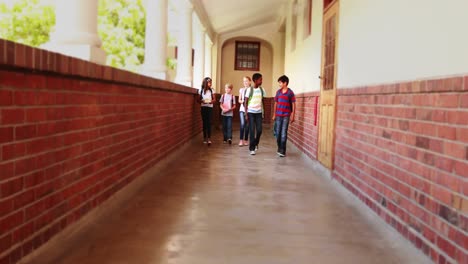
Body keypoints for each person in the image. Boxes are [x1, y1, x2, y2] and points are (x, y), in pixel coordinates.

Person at [272, 75, 296, 157]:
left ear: (285, 83)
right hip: (278, 115)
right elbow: (275, 103)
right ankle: (279, 147)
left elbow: (293, 104)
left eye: (280, 83)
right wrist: (274, 114)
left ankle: (283, 150)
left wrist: (293, 115)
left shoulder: (290, 92)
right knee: (278, 133)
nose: (279, 84)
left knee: (283, 133)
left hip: (286, 115)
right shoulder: (278, 92)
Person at [245, 73, 265, 155]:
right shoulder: (250, 90)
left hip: (259, 113)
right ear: (255, 80)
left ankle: (256, 142)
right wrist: (246, 114)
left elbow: (263, 101)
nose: (261, 81)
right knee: (252, 131)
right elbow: (245, 102)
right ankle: (252, 148)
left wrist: (264, 113)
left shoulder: (262, 90)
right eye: (260, 79)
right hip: (251, 113)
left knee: (259, 130)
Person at [199, 77, 215, 145]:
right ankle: (204, 138)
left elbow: (214, 99)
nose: (210, 84)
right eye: (209, 82)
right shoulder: (201, 90)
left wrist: (211, 101)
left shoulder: (212, 90)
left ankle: (209, 138)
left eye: (211, 82)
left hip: (210, 108)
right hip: (203, 107)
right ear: (205, 83)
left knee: (209, 123)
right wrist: (202, 101)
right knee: (204, 123)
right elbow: (198, 100)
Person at [238, 76, 251, 146]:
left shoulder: (252, 90)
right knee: (242, 124)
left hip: (249, 110)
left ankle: (246, 140)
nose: (245, 82)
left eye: (246, 81)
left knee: (247, 125)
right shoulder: (241, 90)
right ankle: (241, 140)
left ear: (250, 81)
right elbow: (239, 100)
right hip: (242, 109)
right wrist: (242, 101)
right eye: (244, 81)